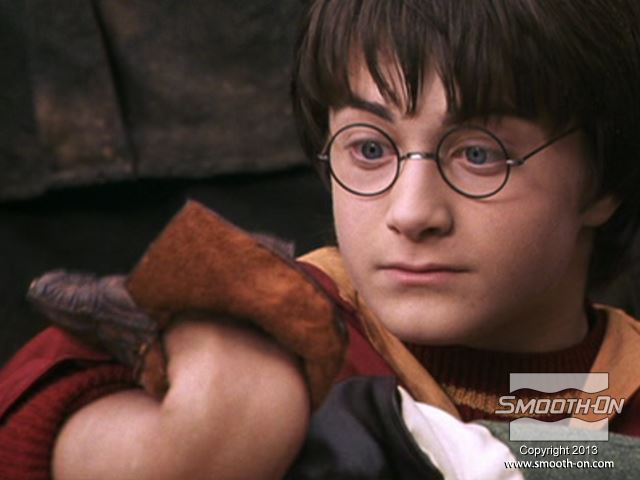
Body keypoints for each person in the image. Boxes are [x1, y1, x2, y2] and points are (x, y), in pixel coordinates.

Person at [2, 0, 640, 478]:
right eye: (369, 149)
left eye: (479, 154)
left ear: (605, 181)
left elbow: (574, 453)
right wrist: (214, 418)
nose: (411, 213)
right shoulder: (255, 330)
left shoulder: (621, 398)